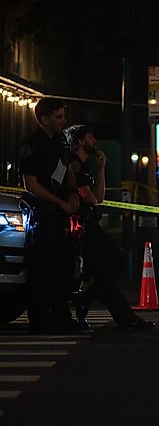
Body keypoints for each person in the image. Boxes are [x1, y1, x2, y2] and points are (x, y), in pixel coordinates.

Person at [64, 124, 155, 332]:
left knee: (117, 262)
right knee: (105, 272)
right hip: (82, 228)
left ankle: (85, 298)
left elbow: (100, 197)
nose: (94, 140)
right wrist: (93, 196)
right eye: (90, 137)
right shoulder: (74, 165)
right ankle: (125, 318)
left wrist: (102, 167)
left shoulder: (85, 166)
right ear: (80, 141)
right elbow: (93, 199)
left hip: (90, 226)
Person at [17, 97, 85, 333]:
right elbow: (31, 185)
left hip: (60, 214)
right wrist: (60, 202)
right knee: (42, 269)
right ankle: (40, 320)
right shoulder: (30, 145)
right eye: (58, 117)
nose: (63, 122)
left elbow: (67, 171)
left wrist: (74, 194)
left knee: (64, 267)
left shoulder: (61, 143)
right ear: (43, 119)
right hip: (41, 216)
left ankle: (61, 316)